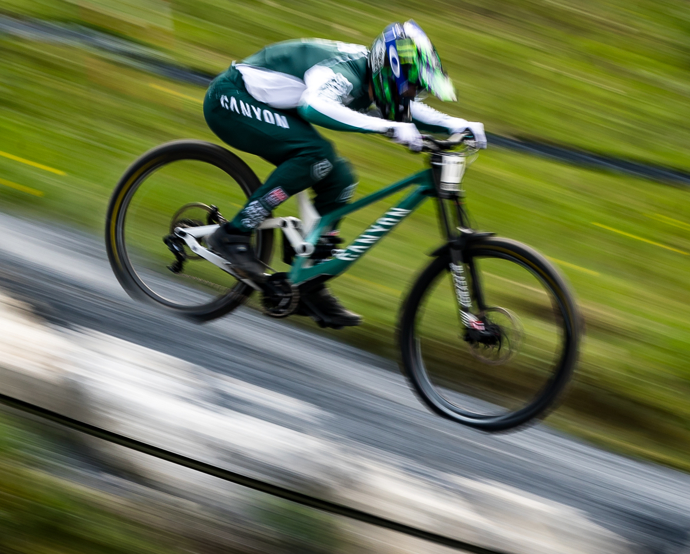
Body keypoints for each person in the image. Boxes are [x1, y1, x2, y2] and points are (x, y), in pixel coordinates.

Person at [201, 21, 484, 329]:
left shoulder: (374, 77)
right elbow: (314, 106)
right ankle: (233, 234)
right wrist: (388, 126)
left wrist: (456, 124)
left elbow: (409, 112)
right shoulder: (343, 74)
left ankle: (309, 278)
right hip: (231, 98)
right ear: (388, 72)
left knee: (340, 179)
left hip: (268, 106)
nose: (411, 96)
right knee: (315, 157)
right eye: (411, 87)